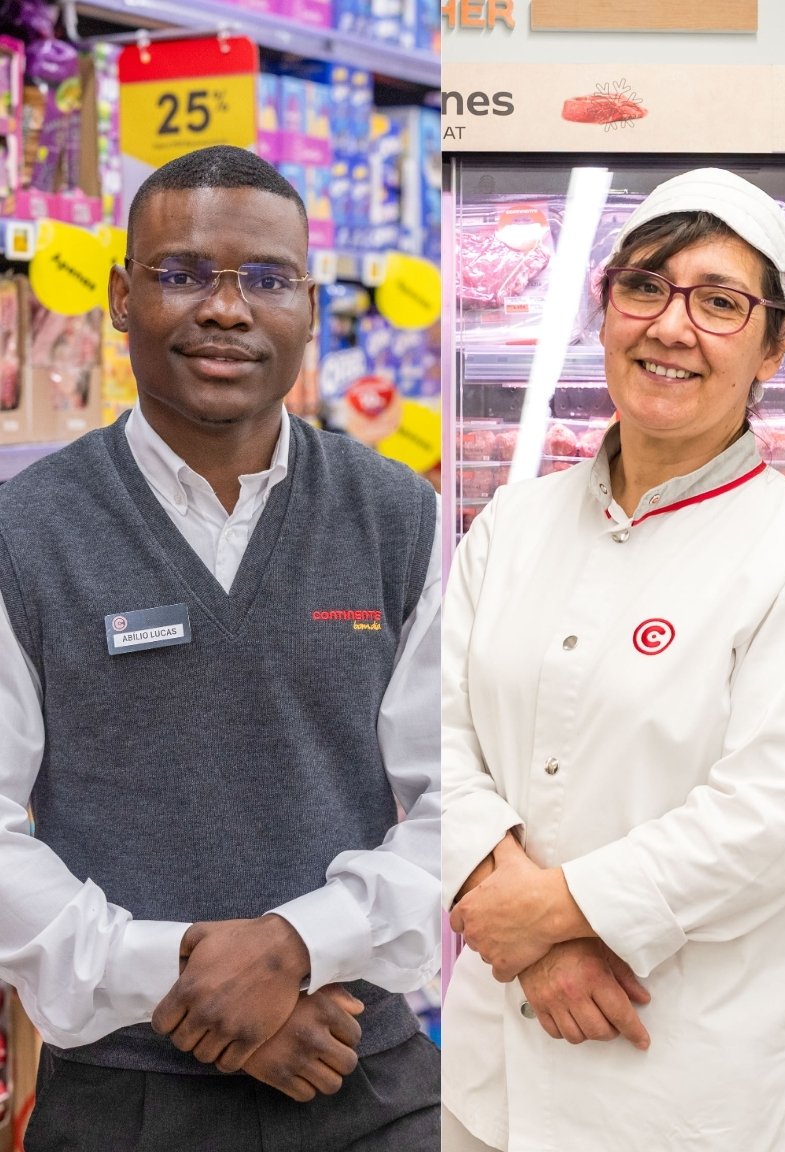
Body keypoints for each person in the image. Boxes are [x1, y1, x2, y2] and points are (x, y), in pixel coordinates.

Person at [0, 145, 442, 1149]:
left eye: (268, 280)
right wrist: (187, 986)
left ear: (311, 309)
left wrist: (298, 945)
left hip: (365, 1082)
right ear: (119, 297)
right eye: (183, 273)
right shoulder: (25, 534)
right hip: (123, 1098)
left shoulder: (396, 518)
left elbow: (461, 799)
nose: (228, 309)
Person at [440, 167, 785, 1152]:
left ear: (775, 348)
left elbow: (766, 816)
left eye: (720, 303)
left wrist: (547, 910)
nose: (671, 326)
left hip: (685, 1085)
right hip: (490, 1074)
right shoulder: (510, 525)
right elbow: (433, 731)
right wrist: (528, 939)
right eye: (645, 286)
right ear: (604, 310)